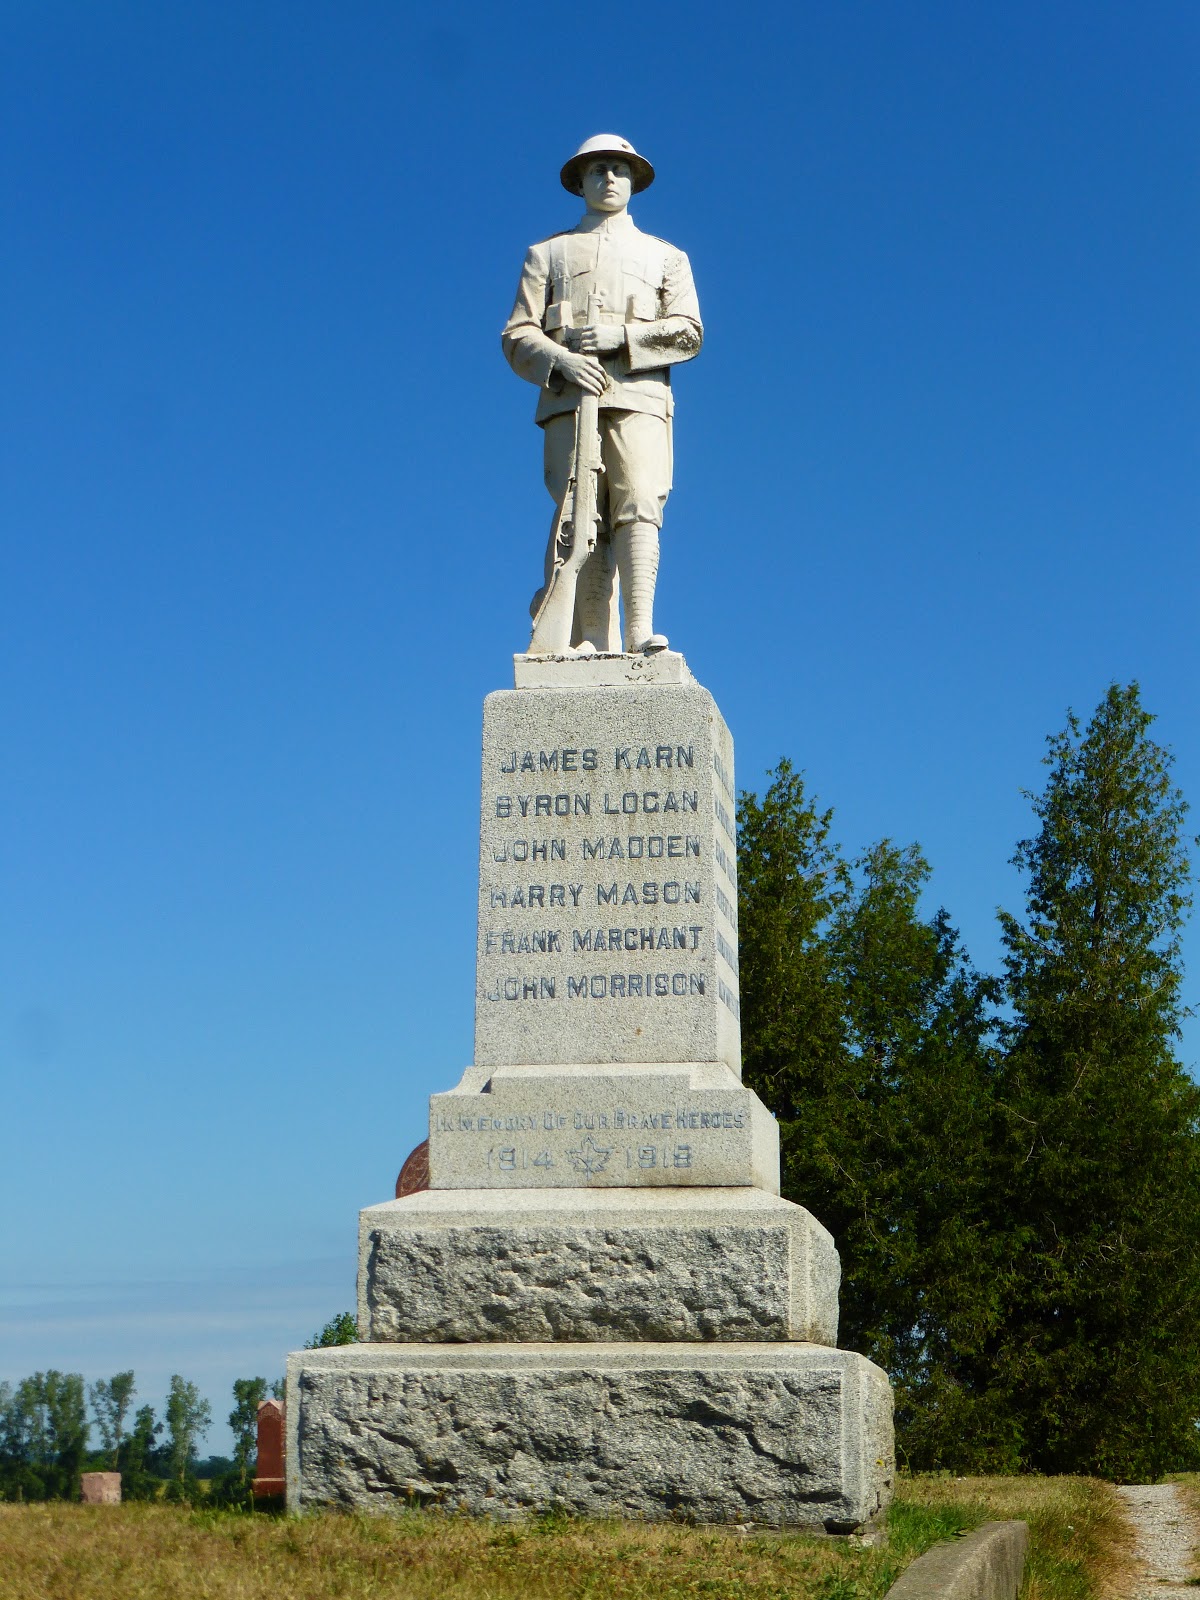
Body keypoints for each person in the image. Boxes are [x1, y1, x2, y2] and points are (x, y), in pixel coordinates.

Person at [502, 135, 702, 654]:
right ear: (580, 182)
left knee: (639, 503)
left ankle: (638, 631)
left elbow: (689, 332)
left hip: (640, 398)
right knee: (579, 511)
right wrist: (561, 360)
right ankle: (589, 635)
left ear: (634, 181)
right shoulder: (547, 254)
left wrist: (624, 338)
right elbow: (518, 335)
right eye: (597, 170)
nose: (608, 178)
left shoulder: (667, 258)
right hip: (569, 400)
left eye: (618, 169)